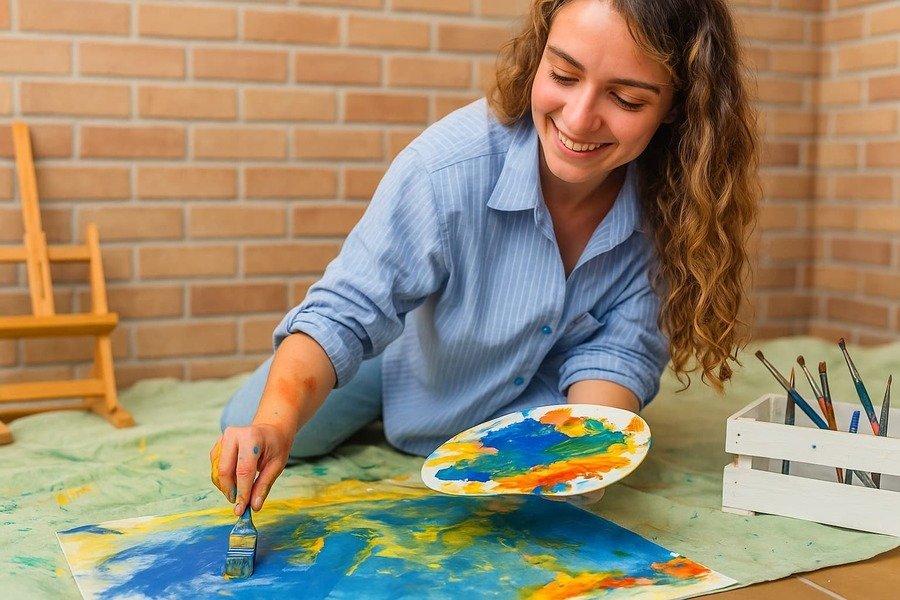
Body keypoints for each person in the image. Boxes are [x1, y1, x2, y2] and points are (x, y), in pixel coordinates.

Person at [211, 0, 759, 516]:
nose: (579, 117)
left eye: (627, 100)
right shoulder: (445, 166)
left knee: (564, 497)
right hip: (414, 347)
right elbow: (345, 310)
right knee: (251, 422)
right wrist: (275, 423)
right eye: (563, 76)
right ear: (539, 54)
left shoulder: (676, 207)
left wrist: (586, 458)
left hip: (537, 382)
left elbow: (617, 358)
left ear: (675, 107)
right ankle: (391, 394)